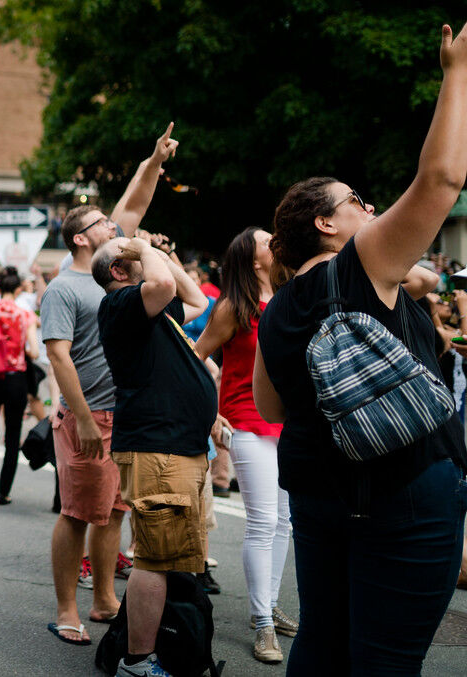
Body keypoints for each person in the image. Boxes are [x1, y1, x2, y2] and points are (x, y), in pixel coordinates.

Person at [254, 22, 467, 674]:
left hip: (319, 498)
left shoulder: (279, 307)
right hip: (402, 494)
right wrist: (456, 72)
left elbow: (274, 405)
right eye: (354, 200)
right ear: (326, 223)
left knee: (321, 645)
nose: (370, 206)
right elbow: (440, 180)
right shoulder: (356, 264)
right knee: (386, 659)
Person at [40, 123, 178, 645]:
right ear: (81, 237)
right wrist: (80, 417)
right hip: (87, 416)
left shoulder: (110, 271)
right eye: (101, 222)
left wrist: (154, 159)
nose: (114, 223)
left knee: (114, 513)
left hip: (128, 413)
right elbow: (59, 356)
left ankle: (103, 599)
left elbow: (136, 202)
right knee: (77, 514)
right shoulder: (64, 286)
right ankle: (65, 608)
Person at [91, 234, 216, 677]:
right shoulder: (119, 304)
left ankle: (152, 651)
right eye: (132, 259)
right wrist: (142, 250)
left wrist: (156, 253)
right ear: (120, 272)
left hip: (176, 446)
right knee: (156, 559)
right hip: (157, 448)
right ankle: (139, 663)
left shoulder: (151, 311)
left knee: (171, 559)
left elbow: (196, 297)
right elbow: (163, 286)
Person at [193, 227, 296, 663]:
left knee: (285, 522)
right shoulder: (234, 307)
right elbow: (194, 357)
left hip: (289, 424)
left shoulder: (291, 299)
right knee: (262, 521)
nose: (276, 240)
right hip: (246, 422)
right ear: (254, 260)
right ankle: (263, 625)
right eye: (266, 239)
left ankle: (268, 606)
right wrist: (209, 413)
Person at [0, 265, 41, 505]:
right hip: (16, 379)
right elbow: (34, 351)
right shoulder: (25, 315)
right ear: (20, 288)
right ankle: (4, 492)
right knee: (12, 435)